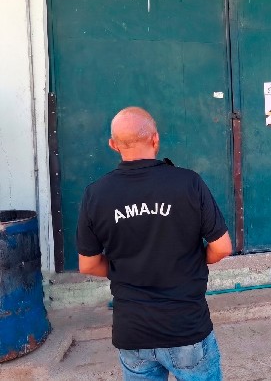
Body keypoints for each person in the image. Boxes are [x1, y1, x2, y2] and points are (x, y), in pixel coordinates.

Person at [77, 106, 232, 381]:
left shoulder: (95, 194)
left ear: (113, 145)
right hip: (186, 327)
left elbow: (88, 265)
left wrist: (123, 269)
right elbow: (222, 247)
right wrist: (195, 259)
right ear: (155, 139)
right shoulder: (189, 183)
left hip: (132, 333)